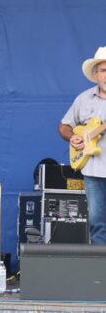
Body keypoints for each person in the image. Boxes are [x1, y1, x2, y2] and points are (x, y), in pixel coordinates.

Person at [59, 46, 106, 244]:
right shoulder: (83, 99)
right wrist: (72, 137)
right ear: (95, 74)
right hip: (93, 170)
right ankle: (101, 270)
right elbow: (63, 126)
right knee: (97, 222)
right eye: (103, 71)